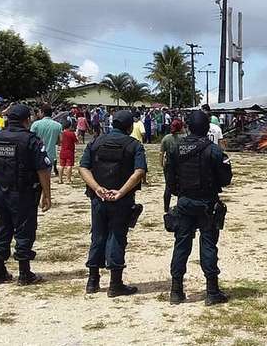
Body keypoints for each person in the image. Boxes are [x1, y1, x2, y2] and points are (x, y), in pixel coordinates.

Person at [164, 111, 232, 305]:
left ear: (188, 127)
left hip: (184, 202)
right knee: (208, 244)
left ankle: (176, 291)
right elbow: (226, 179)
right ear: (206, 128)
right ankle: (212, 291)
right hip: (207, 204)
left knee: (181, 245)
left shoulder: (176, 149)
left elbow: (170, 181)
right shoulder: (214, 151)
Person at [78, 110, 147, 297]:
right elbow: (139, 171)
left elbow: (83, 167)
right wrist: (121, 192)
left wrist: (97, 188)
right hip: (121, 200)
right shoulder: (134, 145)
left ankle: (92, 281)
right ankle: (115, 284)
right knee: (117, 237)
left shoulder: (96, 142)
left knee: (97, 236)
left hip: (98, 199)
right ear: (129, 126)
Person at [0, 104, 52, 285]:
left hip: (0, 191)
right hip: (23, 193)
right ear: (26, 120)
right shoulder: (31, 140)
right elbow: (43, 169)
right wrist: (47, 194)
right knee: (24, 230)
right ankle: (25, 273)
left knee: (2, 229)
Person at [30, 104, 63, 178]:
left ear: (42, 112)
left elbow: (31, 139)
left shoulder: (35, 124)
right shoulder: (58, 125)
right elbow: (60, 140)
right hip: (50, 155)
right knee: (47, 178)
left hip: (36, 155)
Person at [161, 119, 185, 213]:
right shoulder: (184, 138)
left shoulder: (166, 138)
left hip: (169, 164)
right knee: (181, 187)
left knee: (168, 187)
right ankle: (179, 207)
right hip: (181, 165)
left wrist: (161, 163)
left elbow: (161, 152)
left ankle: (166, 208)